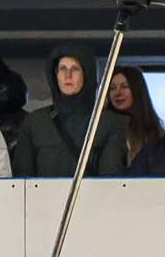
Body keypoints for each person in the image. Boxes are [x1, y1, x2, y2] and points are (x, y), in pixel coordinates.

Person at [11, 46, 130, 178]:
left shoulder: (109, 123)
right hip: (44, 192)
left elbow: (111, 179)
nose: (68, 75)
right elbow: (22, 179)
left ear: (87, 74)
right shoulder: (34, 122)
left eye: (75, 69)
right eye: (62, 69)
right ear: (55, 75)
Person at [106, 67, 164, 169]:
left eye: (124, 87)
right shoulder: (102, 127)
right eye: (112, 88)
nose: (118, 93)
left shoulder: (154, 131)